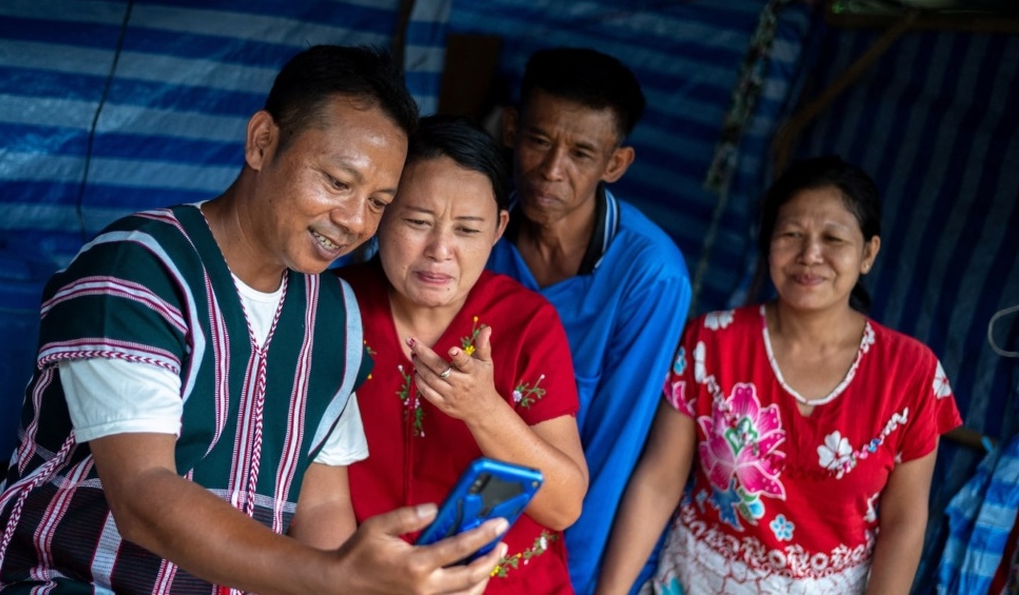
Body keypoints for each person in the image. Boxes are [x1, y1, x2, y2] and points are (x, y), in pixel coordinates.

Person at [0, 46, 509, 595]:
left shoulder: (335, 316)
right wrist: (329, 576)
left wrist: (355, 585)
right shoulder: (138, 268)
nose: (353, 220)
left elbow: (323, 506)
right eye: (338, 182)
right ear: (263, 142)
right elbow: (144, 493)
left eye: (380, 202)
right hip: (64, 580)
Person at [597, 155, 964, 593]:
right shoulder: (712, 343)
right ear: (768, 242)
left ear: (868, 253)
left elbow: (904, 525)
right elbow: (659, 480)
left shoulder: (912, 375)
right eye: (791, 234)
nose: (810, 255)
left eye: (833, 238)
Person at [337, 115, 589, 593]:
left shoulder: (527, 323)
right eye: (418, 222)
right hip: (368, 582)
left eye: (467, 230)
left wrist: (484, 409)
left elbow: (564, 506)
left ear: (498, 229)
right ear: (381, 212)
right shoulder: (329, 307)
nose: (440, 250)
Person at [486, 46, 691, 592]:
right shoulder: (473, 231)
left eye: (581, 153)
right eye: (538, 140)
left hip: (562, 544)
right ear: (511, 129)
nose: (552, 170)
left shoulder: (650, 275)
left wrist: (570, 584)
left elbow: (612, 447)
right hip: (459, 514)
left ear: (615, 164)